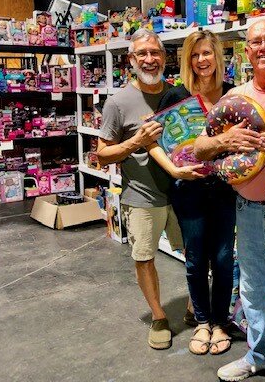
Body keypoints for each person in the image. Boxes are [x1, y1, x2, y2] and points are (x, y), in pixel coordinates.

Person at [193, 20, 265, 381]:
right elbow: (199, 147)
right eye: (256, 42)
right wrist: (227, 140)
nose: (263, 47)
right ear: (247, 52)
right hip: (249, 208)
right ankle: (260, 354)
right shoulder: (236, 97)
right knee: (255, 286)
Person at [147, 30, 237, 356]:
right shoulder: (175, 96)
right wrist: (173, 171)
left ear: (217, 56)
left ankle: (221, 322)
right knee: (196, 259)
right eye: (195, 55)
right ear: (188, 59)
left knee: (225, 259)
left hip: (226, 189)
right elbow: (151, 141)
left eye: (207, 53)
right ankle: (202, 322)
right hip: (189, 189)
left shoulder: (232, 93)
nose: (202, 60)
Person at [97, 28, 183, 350]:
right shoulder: (117, 103)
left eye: (155, 53)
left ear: (164, 57)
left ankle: (194, 308)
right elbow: (102, 153)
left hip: (182, 192)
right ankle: (159, 316)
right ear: (131, 60)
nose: (150, 59)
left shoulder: (177, 95)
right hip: (142, 198)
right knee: (145, 257)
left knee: (194, 253)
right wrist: (136, 142)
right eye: (142, 54)